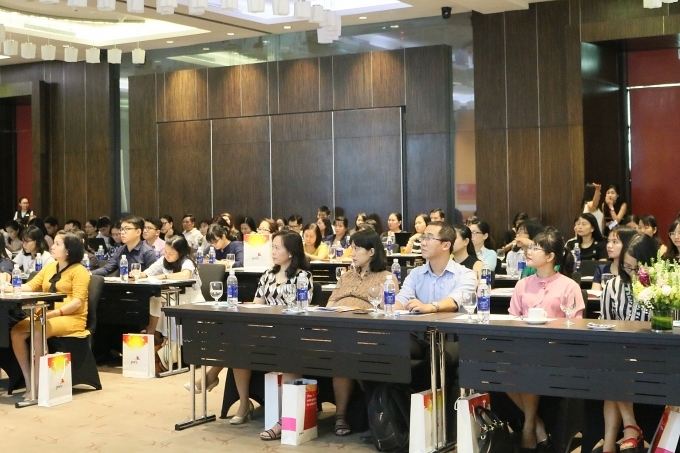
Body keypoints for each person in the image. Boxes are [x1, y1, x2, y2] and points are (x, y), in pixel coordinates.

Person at [508, 229, 585, 452]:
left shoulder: (569, 286)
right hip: (524, 346)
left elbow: (576, 324)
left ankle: (528, 428)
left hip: (556, 349)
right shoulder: (522, 284)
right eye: (530, 247)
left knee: (529, 362)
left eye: (535, 248)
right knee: (494, 366)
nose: (529, 251)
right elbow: (512, 319)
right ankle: (536, 424)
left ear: (550, 256)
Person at [326, 230, 399, 435]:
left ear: (372, 252)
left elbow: (388, 311)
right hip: (338, 328)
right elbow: (329, 305)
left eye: (357, 248)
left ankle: (346, 414)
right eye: (352, 248)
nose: (352, 253)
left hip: (366, 332)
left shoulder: (386, 278)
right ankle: (341, 415)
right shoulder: (346, 276)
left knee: (346, 352)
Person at [9, 231, 90, 401]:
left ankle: (39, 384)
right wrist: (9, 287)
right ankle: (29, 381)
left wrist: (55, 313)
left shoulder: (79, 270)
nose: (52, 246)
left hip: (71, 318)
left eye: (58, 244)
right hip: (45, 314)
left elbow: (78, 302)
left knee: (38, 331)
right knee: (16, 331)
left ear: (69, 250)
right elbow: (31, 286)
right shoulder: (50, 266)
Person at [599, 233, 658, 453]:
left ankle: (612, 441)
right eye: (627, 267)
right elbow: (605, 324)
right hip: (620, 352)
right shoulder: (613, 286)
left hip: (653, 353)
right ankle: (628, 429)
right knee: (613, 365)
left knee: (615, 369)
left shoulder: (662, 288)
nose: (632, 274)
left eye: (637, 268)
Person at [396, 221, 477, 312]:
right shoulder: (415, 274)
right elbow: (403, 298)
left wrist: (428, 307)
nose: (423, 243)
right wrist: (390, 305)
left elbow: (454, 301)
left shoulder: (466, 275)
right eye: (423, 237)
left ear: (446, 245)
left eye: (429, 238)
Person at [139, 235, 204, 341]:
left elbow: (185, 275)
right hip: (172, 295)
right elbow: (148, 273)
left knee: (159, 301)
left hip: (190, 298)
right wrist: (138, 274)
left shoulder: (187, 261)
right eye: (165, 252)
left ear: (180, 253)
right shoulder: (163, 260)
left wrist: (164, 276)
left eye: (171, 253)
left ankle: (158, 337)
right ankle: (151, 336)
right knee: (154, 300)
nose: (167, 255)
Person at [93, 215, 157, 276]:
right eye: (121, 229)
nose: (122, 232)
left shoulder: (148, 252)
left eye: (127, 229)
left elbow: (153, 276)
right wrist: (89, 273)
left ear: (138, 232)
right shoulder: (120, 250)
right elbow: (106, 269)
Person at [591, 226, 636, 291]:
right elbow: (595, 294)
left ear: (628, 244)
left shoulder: (635, 270)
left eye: (615, 242)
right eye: (608, 241)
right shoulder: (602, 269)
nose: (609, 245)